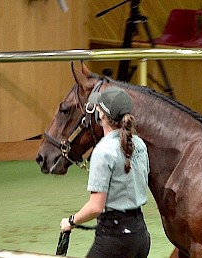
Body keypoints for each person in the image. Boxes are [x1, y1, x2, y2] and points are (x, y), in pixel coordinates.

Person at [60, 86, 150, 258]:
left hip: (115, 239)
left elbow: (95, 207)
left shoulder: (103, 151)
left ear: (101, 115)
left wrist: (71, 221)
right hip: (140, 236)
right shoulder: (140, 144)